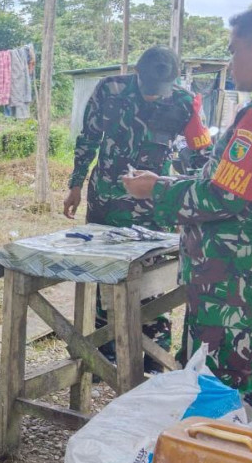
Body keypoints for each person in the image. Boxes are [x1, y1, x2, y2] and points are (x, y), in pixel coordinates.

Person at [123, 4, 252, 418]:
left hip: (232, 271)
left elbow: (220, 198)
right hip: (240, 266)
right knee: (222, 373)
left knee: (221, 385)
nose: (230, 61)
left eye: (234, 50)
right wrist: (162, 183)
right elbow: (230, 183)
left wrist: (153, 192)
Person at [63, 46, 213, 368]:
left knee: (152, 283)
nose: (151, 97)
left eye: (158, 92)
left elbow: (203, 160)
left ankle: (153, 358)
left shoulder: (186, 105)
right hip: (105, 199)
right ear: (136, 73)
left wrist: (184, 196)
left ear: (173, 82)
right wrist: (75, 184)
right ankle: (106, 354)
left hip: (152, 208)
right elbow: (88, 138)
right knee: (105, 276)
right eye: (146, 88)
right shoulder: (110, 90)